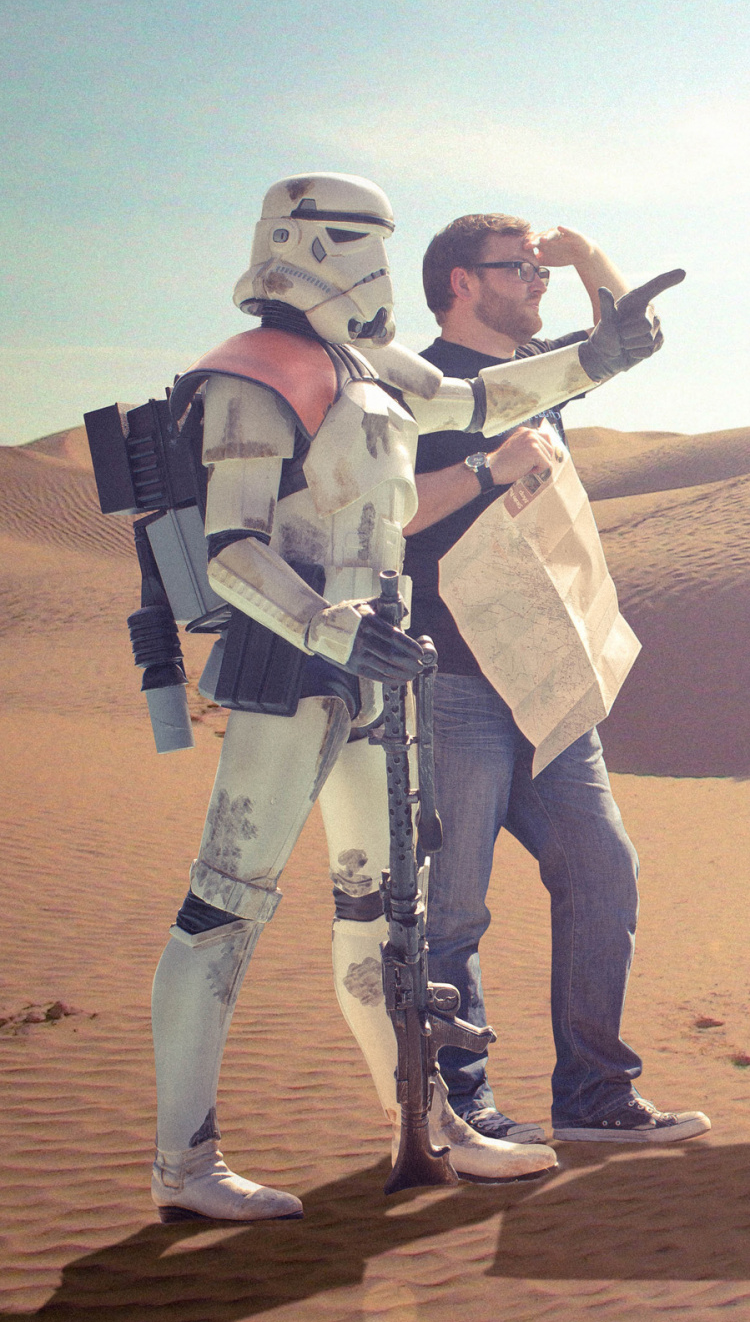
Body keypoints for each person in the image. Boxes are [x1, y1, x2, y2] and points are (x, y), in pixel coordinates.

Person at [148, 176, 684, 1224]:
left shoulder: (377, 369)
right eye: (349, 240)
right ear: (294, 243)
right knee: (226, 906)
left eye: (377, 241)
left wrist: (599, 352)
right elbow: (231, 552)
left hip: (384, 672)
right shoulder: (249, 378)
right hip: (292, 669)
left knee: (384, 915)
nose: (368, 262)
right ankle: (185, 1157)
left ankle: (436, 1117)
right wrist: (332, 627)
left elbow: (488, 400)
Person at [403, 214, 711, 1145]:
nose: (536, 283)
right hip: (451, 679)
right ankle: (461, 1110)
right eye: (520, 270)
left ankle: (593, 1099)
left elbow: (631, 338)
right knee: (452, 910)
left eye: (540, 270)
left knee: (603, 873)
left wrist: (587, 262)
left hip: (548, 680)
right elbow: (385, 516)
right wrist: (487, 467)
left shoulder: (541, 378)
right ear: (461, 282)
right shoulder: (411, 386)